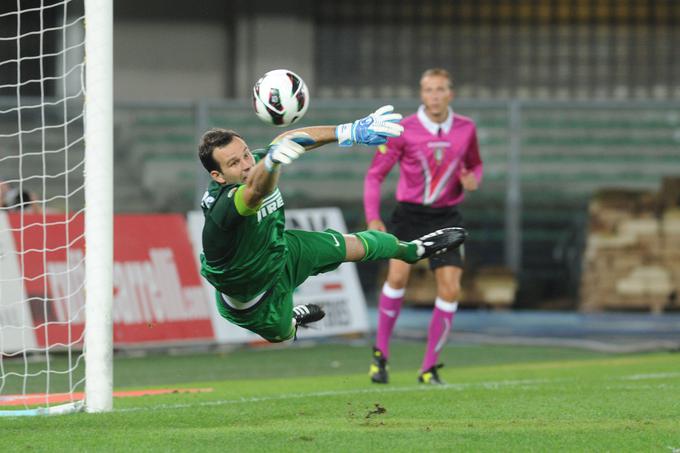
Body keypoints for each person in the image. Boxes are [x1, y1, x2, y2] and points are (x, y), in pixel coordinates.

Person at [198, 105, 467, 343]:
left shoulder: (257, 163)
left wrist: (348, 131)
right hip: (253, 294)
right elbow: (257, 192)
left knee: (351, 245)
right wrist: (272, 163)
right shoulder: (224, 206)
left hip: (281, 250)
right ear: (217, 176)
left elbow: (287, 140)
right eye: (234, 163)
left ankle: (412, 250)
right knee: (281, 335)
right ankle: (292, 320)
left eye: (246, 154)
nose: (246, 164)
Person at [364, 69, 483, 384]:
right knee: (398, 277)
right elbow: (375, 174)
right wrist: (373, 217)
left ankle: (428, 367)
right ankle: (381, 355)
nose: (434, 95)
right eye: (428, 89)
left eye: (440, 89)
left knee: (450, 289)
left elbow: (475, 164)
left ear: (450, 94)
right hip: (409, 216)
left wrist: (473, 179)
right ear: (422, 94)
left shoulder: (466, 128)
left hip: (446, 216)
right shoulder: (404, 129)